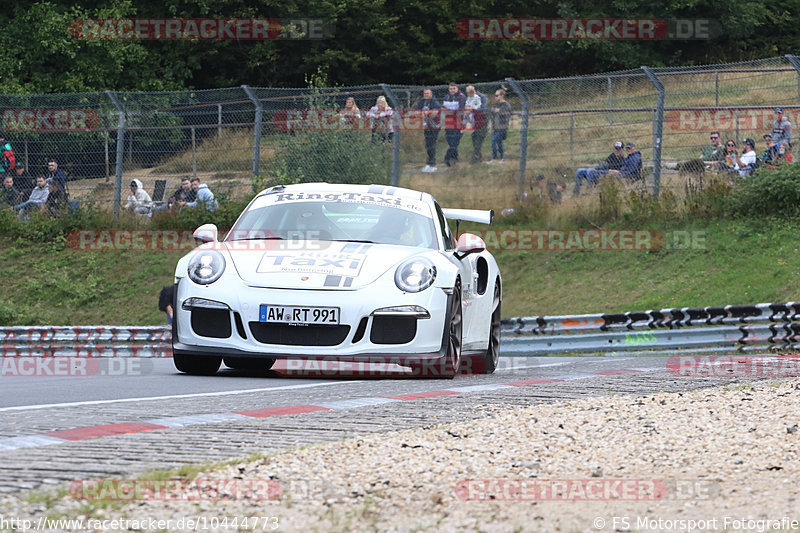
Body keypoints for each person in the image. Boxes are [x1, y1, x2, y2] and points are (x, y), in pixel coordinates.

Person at [413, 89, 441, 173]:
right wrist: (425, 113)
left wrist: (423, 113)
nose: (426, 95)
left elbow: (434, 113)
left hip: (434, 126)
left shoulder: (434, 102)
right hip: (426, 126)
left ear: (431, 94)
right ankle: (428, 163)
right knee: (428, 144)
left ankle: (432, 163)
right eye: (425, 93)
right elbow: (415, 112)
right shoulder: (422, 101)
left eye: (428, 93)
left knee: (432, 144)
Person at [441, 82, 466, 166]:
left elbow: (461, 111)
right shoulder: (446, 97)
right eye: (450, 89)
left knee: (454, 142)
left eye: (453, 89)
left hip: (458, 123)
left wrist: (449, 111)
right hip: (448, 123)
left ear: (457, 89)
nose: (451, 90)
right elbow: (443, 109)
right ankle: (455, 158)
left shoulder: (461, 97)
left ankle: (447, 159)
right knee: (450, 141)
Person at [465, 85, 489, 163]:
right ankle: (478, 157)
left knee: (479, 139)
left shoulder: (482, 97)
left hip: (482, 121)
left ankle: (475, 158)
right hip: (474, 121)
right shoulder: (469, 98)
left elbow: (483, 108)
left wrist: (472, 109)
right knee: (474, 138)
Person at [488, 89, 512, 164]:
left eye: (497, 95)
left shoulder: (506, 105)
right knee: (499, 143)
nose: (495, 97)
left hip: (502, 127)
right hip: (495, 127)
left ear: (502, 96)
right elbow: (492, 111)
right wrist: (495, 110)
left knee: (493, 142)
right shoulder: (497, 104)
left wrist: (498, 111)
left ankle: (495, 158)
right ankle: (502, 158)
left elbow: (506, 113)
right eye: (495, 95)